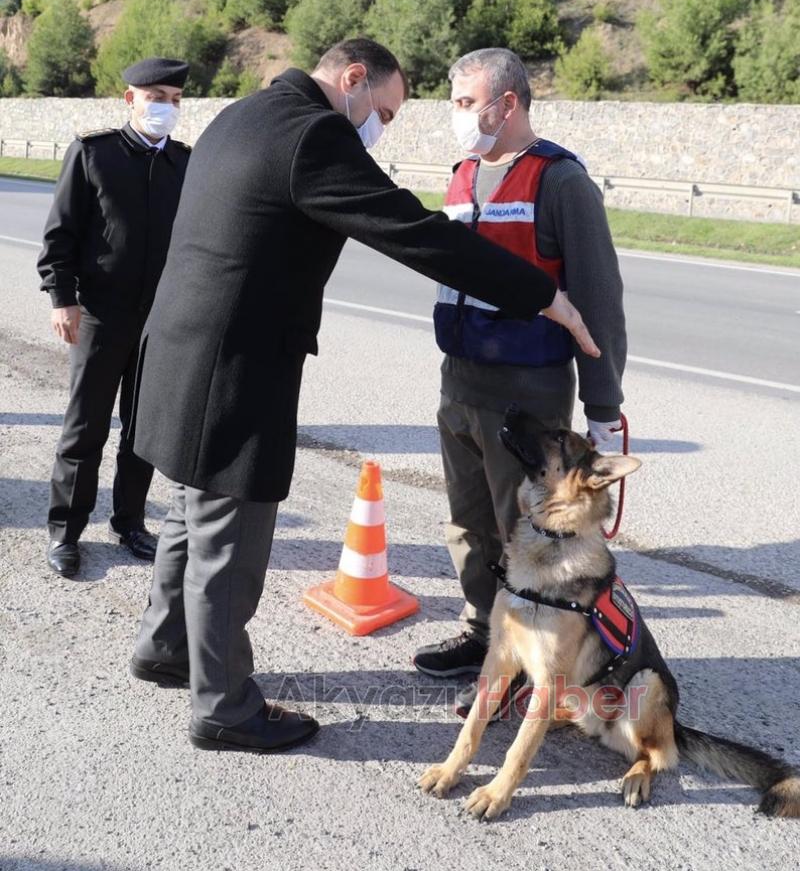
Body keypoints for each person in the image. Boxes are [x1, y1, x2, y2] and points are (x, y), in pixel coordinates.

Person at [127, 37, 600, 755]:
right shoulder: (312, 134)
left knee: (190, 512)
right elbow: (415, 232)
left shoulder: (244, 113)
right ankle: (224, 705)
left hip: (180, 347)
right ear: (351, 79)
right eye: (381, 109)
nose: (378, 127)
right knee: (229, 533)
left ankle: (166, 645)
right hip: (233, 366)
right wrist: (542, 294)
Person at [411, 48, 627, 717]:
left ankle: (532, 666)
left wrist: (603, 407)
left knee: (525, 534)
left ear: (507, 104)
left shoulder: (560, 183)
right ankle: (484, 637)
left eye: (464, 102)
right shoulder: (462, 174)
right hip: (461, 382)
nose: (456, 116)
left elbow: (597, 300)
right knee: (467, 524)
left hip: (526, 390)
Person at [37, 57, 192, 578]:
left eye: (173, 98)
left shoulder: (185, 165)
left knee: (143, 430)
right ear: (130, 99)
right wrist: (63, 297)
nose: (164, 107)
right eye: (155, 96)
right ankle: (65, 532)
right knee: (86, 427)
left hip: (161, 322)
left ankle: (129, 522)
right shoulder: (93, 154)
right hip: (101, 314)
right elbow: (60, 234)